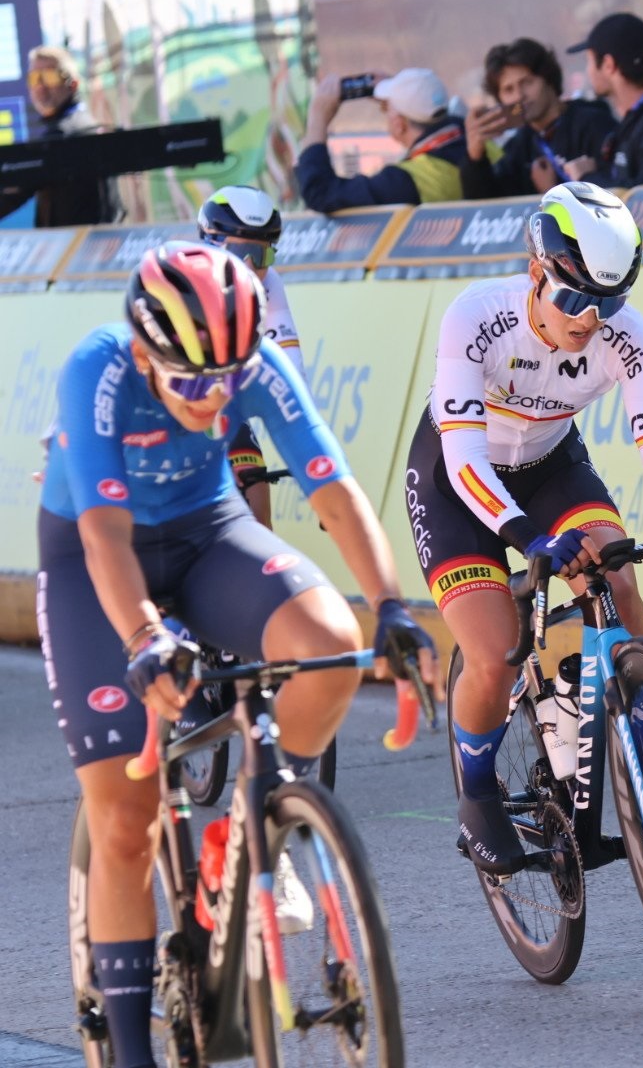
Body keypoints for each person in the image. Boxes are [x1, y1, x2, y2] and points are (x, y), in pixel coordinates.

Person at [37, 243, 436, 1068]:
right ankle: (128, 1047)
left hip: (208, 530)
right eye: (189, 381)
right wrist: (145, 637)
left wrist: (391, 604)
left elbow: (332, 487)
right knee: (125, 820)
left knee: (330, 644)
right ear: (145, 352)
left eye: (225, 379)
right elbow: (104, 535)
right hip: (95, 557)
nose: (211, 396)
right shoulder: (99, 372)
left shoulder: (248, 365)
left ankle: (258, 826)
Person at [405, 181, 643, 876]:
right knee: (497, 651)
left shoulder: (628, 337)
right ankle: (477, 797)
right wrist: (529, 538)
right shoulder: (475, 318)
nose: (590, 319)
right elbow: (466, 462)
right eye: (573, 300)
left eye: (608, 302)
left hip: (551, 466)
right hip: (457, 481)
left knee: (617, 578)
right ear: (536, 272)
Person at [197, 185, 304, 528]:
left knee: (255, 493)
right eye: (240, 250)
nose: (248, 266)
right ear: (210, 242)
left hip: (224, 398)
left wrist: (317, 466)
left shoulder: (269, 284)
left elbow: (291, 374)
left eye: (260, 255)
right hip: (166, 406)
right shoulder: (179, 275)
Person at [297, 67, 469, 213]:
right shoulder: (475, 139)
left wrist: (317, 120)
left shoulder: (406, 181)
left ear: (399, 124)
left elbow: (321, 194)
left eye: (387, 109)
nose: (384, 110)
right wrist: (403, 90)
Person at [460, 38, 615, 200]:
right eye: (508, 90)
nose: (519, 96)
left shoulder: (595, 123)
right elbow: (484, 210)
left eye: (527, 83)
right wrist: (475, 156)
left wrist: (552, 190)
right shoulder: (520, 145)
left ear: (548, 78)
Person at [0, 45, 123, 227]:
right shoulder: (83, 123)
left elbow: (14, 193)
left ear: (72, 83)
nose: (40, 86)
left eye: (49, 76)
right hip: (93, 244)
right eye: (34, 78)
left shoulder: (64, 133)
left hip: (80, 249)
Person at [567, 13, 643, 188]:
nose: (587, 72)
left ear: (608, 65)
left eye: (589, 61)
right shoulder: (633, 120)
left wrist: (586, 179)